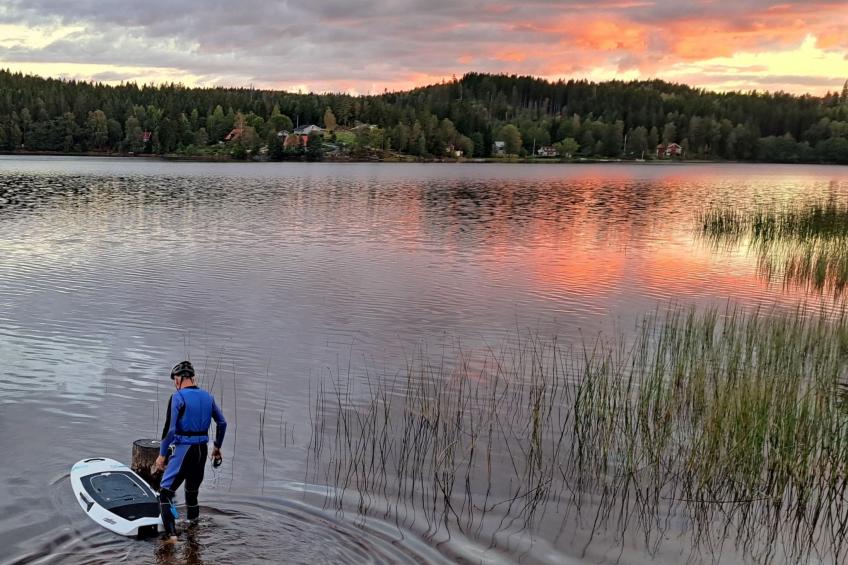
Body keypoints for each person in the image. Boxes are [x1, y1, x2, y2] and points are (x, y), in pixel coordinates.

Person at [155, 360, 227, 542]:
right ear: (193, 378)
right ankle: (193, 531)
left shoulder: (178, 397)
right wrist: (217, 447)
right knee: (191, 493)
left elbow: (169, 430)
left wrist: (162, 456)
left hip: (184, 450)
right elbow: (222, 423)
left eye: (174, 380)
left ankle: (171, 537)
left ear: (178, 379)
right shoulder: (208, 397)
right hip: (202, 451)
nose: (174, 384)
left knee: (165, 493)